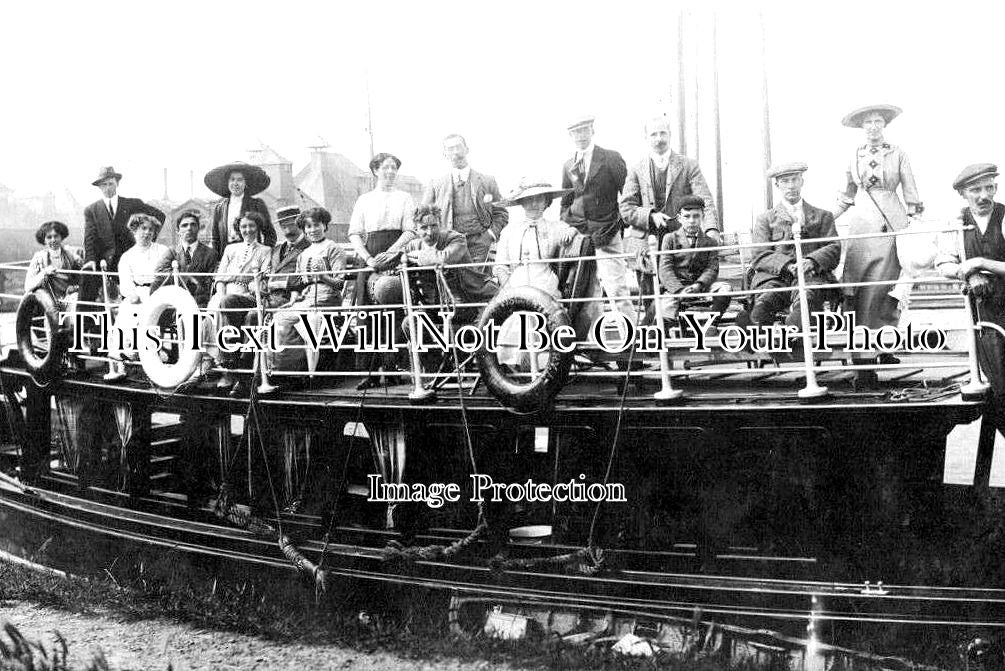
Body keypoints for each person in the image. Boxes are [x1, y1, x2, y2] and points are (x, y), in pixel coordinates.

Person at [621, 116, 719, 321]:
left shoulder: (688, 165)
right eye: (653, 134)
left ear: (670, 135)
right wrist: (650, 215)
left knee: (681, 293)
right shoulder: (636, 169)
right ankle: (653, 343)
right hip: (647, 244)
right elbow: (626, 208)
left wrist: (711, 230)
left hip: (680, 242)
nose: (659, 139)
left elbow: (706, 200)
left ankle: (678, 342)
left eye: (662, 133)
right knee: (651, 298)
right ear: (646, 138)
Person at [836, 104, 922, 335]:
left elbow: (911, 193)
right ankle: (856, 340)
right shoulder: (854, 154)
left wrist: (913, 224)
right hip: (862, 222)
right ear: (861, 126)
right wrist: (824, 219)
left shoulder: (898, 153)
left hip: (891, 220)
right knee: (857, 280)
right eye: (868, 122)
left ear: (885, 124)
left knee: (886, 283)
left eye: (878, 122)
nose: (873, 127)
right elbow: (846, 195)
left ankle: (885, 341)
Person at [936, 164, 1005, 419]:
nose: (983, 195)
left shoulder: (1004, 216)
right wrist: (969, 273)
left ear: (996, 188)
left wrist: (981, 263)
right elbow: (943, 263)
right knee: (999, 386)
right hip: (985, 314)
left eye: (989, 187)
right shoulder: (955, 223)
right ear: (963, 194)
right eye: (975, 189)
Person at [560, 115, 634, 320]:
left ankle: (632, 339)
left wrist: (618, 223)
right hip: (579, 236)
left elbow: (628, 195)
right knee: (587, 293)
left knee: (616, 289)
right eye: (576, 132)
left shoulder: (611, 158)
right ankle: (591, 344)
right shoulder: (568, 165)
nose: (580, 136)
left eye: (584, 130)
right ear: (570, 135)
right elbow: (565, 202)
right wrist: (568, 225)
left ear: (592, 130)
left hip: (607, 232)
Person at [748, 163, 840, 327]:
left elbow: (833, 248)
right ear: (777, 185)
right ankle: (758, 330)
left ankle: (793, 332)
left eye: (794, 180)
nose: (791, 186)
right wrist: (788, 266)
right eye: (785, 181)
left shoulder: (822, 216)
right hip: (775, 278)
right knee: (765, 303)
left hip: (811, 276)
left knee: (806, 300)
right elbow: (759, 254)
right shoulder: (766, 219)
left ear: (801, 181)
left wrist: (811, 261)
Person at [81, 167, 165, 339]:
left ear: (117, 183)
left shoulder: (132, 204)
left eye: (110, 183)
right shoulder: (92, 210)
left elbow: (159, 216)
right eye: (103, 185)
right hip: (105, 263)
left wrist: (147, 238)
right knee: (87, 283)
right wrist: (90, 259)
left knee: (138, 296)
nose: (107, 188)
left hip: (130, 262)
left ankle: (142, 336)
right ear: (99, 187)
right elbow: (89, 238)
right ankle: (83, 333)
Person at [267, 207, 345, 387]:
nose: (312, 230)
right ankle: (288, 371)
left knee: (309, 320)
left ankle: (311, 375)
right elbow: (299, 283)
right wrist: (293, 300)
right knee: (280, 318)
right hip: (307, 300)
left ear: (325, 225)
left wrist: (323, 276)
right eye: (308, 227)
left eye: (316, 225)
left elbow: (339, 283)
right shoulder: (304, 254)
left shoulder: (333, 248)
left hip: (327, 299)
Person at [211, 212, 272, 395]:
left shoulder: (265, 251)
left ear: (258, 227)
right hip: (226, 294)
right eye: (244, 226)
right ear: (239, 229)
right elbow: (220, 277)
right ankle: (230, 367)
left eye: (252, 226)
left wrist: (248, 283)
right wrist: (221, 292)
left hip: (250, 297)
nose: (247, 230)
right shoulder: (230, 249)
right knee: (222, 302)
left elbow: (262, 280)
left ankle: (230, 359)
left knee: (228, 303)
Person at [422, 134, 508, 265]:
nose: (455, 152)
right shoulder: (436, 184)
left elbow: (501, 213)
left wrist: (490, 235)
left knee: (478, 282)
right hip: (448, 245)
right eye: (450, 149)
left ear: (467, 149)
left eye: (458, 147)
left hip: (480, 244)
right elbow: (423, 217)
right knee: (452, 282)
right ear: (444, 154)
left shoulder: (487, 181)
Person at [104, 214, 171, 381]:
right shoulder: (127, 256)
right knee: (127, 312)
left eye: (151, 230)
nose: (147, 233)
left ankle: (152, 358)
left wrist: (157, 293)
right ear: (134, 230)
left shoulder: (162, 251)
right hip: (137, 293)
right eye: (143, 229)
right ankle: (120, 363)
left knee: (149, 311)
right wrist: (132, 295)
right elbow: (126, 282)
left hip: (159, 291)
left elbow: (167, 274)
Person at [405, 204, 498, 322]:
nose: (430, 232)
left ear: (440, 224)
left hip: (471, 300)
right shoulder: (413, 245)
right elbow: (393, 257)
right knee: (409, 324)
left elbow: (444, 258)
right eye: (424, 228)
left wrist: (421, 256)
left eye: (434, 226)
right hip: (435, 306)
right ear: (416, 229)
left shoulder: (456, 238)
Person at [347, 152, 417, 306]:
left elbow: (411, 230)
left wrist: (391, 253)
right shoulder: (364, 199)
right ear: (375, 171)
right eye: (386, 167)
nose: (391, 171)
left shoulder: (405, 198)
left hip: (399, 253)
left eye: (394, 168)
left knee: (395, 293)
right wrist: (368, 259)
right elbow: (354, 234)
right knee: (369, 305)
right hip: (371, 254)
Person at [495, 181, 576, 301]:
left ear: (546, 201)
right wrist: (509, 291)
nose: (534, 204)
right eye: (529, 199)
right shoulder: (509, 231)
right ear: (522, 203)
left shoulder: (556, 227)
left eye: (539, 199)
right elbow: (500, 266)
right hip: (515, 285)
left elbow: (574, 232)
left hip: (546, 285)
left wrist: (571, 232)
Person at [657, 196, 731, 325]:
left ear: (702, 217)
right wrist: (679, 290)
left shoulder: (710, 242)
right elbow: (665, 269)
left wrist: (699, 285)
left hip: (702, 287)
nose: (692, 221)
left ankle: (711, 323)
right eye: (687, 216)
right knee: (663, 309)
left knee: (725, 288)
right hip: (677, 288)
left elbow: (712, 268)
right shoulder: (670, 238)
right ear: (679, 218)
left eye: (696, 216)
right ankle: (672, 338)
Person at [150, 210, 218, 307]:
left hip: (198, 302)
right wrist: (186, 277)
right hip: (175, 299)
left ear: (198, 228)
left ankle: (195, 322)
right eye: (184, 225)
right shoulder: (172, 252)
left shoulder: (210, 253)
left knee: (195, 320)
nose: (189, 228)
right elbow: (159, 272)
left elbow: (210, 282)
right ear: (178, 231)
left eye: (193, 225)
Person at [206, 162, 276, 251]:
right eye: (232, 179)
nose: (235, 183)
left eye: (239, 180)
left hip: (251, 256)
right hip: (226, 257)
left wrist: (263, 254)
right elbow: (215, 239)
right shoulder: (219, 208)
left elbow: (270, 234)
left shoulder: (256, 204)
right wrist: (217, 260)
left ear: (245, 183)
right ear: (227, 183)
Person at [25, 221, 84, 301]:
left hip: (68, 296)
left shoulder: (70, 255)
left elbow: (80, 278)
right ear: (44, 240)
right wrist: (44, 273)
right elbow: (27, 286)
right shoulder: (39, 258)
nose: (53, 240)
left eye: (56, 236)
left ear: (61, 237)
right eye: (49, 237)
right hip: (48, 299)